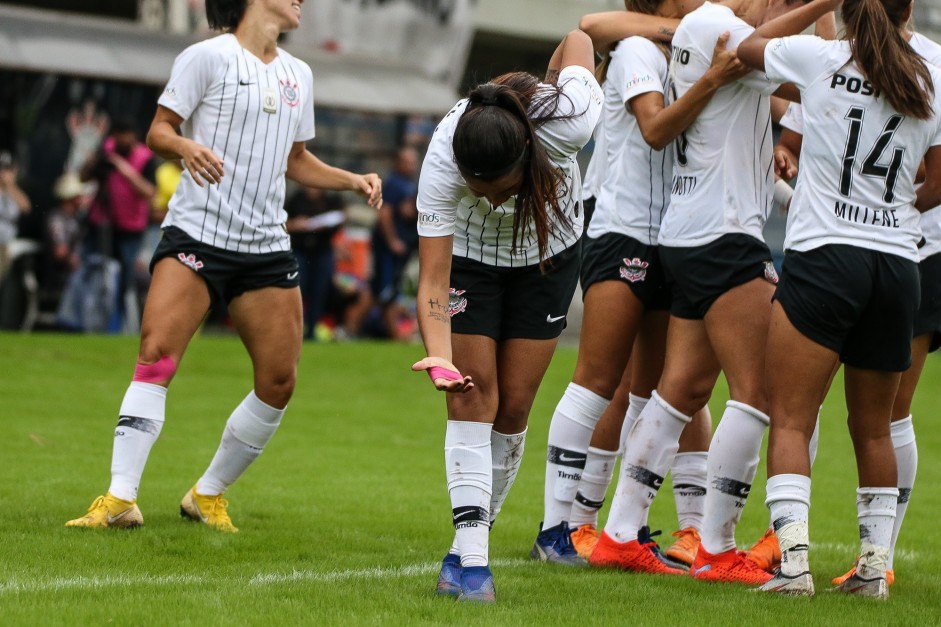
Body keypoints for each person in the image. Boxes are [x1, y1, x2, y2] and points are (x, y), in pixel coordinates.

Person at [66, 0, 381, 533]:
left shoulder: (298, 74)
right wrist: (185, 146)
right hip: (198, 237)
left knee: (279, 381)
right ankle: (121, 498)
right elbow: (159, 131)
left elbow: (295, 159)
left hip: (265, 247)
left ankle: (206, 494)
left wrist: (351, 179)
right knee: (156, 357)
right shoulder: (205, 57)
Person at [738, 0, 941, 597]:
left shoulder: (820, 57)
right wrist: (897, 215)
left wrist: (818, 6)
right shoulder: (928, 75)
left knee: (792, 418)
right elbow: (940, 181)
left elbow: (749, 45)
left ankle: (794, 568)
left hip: (826, 257)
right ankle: (873, 573)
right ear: (908, 12)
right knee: (875, 429)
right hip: (899, 266)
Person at [537, 0, 746, 570]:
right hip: (622, 229)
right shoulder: (634, 50)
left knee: (654, 387)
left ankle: (638, 530)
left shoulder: (681, 53)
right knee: (596, 379)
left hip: (669, 236)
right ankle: (561, 525)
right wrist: (711, 78)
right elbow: (654, 129)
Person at [411, 30, 602, 602]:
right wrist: (440, 355)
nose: (489, 200)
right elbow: (432, 280)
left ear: (527, 156)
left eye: (500, 190)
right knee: (472, 396)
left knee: (514, 406)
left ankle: (467, 545)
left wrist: (549, 82)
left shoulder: (572, 120)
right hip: (472, 264)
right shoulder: (443, 159)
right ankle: (473, 564)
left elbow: (580, 37)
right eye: (478, 191)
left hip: (550, 255)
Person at [80, 119, 158, 330]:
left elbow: (150, 192)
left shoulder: (144, 157)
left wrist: (122, 168)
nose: (120, 140)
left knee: (124, 279)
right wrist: (94, 162)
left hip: (130, 228)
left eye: (125, 135)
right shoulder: (106, 151)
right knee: (94, 272)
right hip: (101, 222)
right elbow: (83, 178)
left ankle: (117, 324)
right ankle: (89, 320)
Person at [371, 146, 420, 340]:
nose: (412, 166)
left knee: (388, 291)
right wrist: (392, 241)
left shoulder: (409, 184)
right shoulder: (393, 184)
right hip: (389, 250)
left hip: (404, 248)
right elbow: (385, 213)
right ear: (398, 163)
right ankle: (395, 336)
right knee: (387, 292)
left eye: (414, 162)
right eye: (408, 162)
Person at [285, 185, 346, 339]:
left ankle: (312, 329)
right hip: (300, 250)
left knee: (320, 290)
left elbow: (341, 217)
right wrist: (297, 225)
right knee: (300, 287)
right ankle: (296, 327)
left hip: (322, 251)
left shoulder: (330, 201)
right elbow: (284, 223)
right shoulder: (296, 200)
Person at [45, 173, 86, 298]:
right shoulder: (56, 219)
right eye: (78, 195)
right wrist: (77, 263)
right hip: (62, 275)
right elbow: (60, 252)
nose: (82, 198)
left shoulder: (76, 218)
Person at [0, 150, 31, 285]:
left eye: (8, 169)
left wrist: (10, 185)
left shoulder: (13, 191)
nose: (3, 173)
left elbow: (26, 207)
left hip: (6, 246)